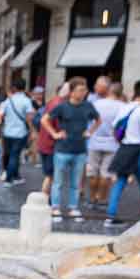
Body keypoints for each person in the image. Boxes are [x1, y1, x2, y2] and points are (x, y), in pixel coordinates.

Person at [42, 77, 98, 220]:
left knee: (76, 182)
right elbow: (44, 119)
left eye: (84, 90)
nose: (83, 93)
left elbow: (99, 119)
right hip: (62, 149)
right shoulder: (62, 106)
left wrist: (90, 131)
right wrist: (54, 133)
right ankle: (55, 208)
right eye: (80, 90)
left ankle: (73, 208)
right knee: (58, 182)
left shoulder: (88, 106)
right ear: (72, 92)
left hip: (80, 150)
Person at [105, 79, 140, 228]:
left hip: (125, 148)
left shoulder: (125, 107)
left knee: (120, 182)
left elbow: (115, 129)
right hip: (138, 150)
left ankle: (111, 215)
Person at [87, 80, 125, 207]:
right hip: (112, 143)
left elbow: (90, 121)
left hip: (94, 141)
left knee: (93, 172)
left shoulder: (97, 103)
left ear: (109, 90)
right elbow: (121, 127)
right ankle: (102, 198)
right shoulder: (122, 106)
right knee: (106, 174)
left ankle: (92, 198)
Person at [33, 82, 70, 200]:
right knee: (51, 176)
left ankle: (45, 200)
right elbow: (59, 127)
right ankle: (44, 201)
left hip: (45, 143)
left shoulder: (52, 102)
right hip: (51, 145)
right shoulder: (59, 105)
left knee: (50, 175)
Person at [0, 78, 34, 185]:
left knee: (8, 154)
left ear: (14, 88)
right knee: (14, 155)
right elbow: (29, 118)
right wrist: (31, 131)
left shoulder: (8, 101)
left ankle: (15, 175)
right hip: (20, 133)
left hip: (7, 132)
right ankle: (9, 179)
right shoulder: (27, 101)